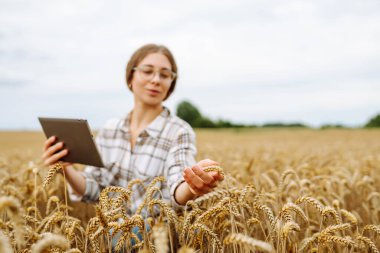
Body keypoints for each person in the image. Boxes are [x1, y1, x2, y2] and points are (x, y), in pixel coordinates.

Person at [41, 44, 224, 214]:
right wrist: (64, 169)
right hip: (108, 241)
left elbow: (178, 185)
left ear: (170, 85)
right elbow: (94, 190)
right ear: (130, 78)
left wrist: (192, 185)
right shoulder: (109, 130)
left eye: (165, 75)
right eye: (147, 71)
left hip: (153, 244)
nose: (155, 80)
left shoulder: (179, 131)